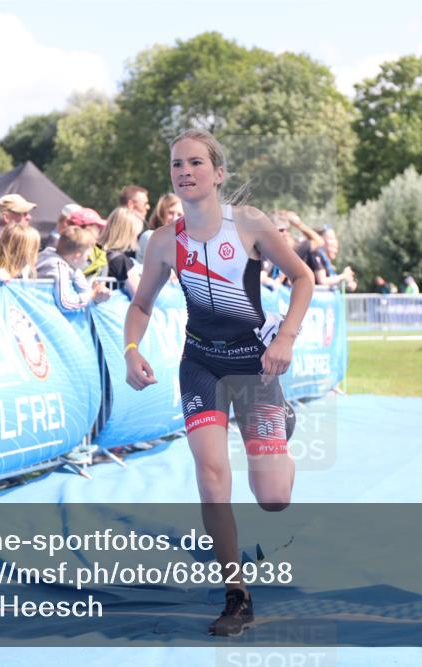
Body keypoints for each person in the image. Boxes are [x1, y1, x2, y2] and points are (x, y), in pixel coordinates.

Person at [123, 129, 313, 637]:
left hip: (254, 366)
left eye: (195, 163)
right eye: (176, 164)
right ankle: (236, 594)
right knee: (211, 476)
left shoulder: (248, 223)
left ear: (218, 173)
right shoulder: (164, 241)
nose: (184, 172)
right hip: (201, 364)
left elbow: (303, 278)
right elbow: (140, 305)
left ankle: (281, 422)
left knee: (273, 497)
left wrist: (286, 339)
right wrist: (131, 350)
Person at [36, 226, 111, 306]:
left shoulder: (71, 264)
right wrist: (92, 296)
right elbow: (65, 303)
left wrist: (97, 293)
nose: (87, 259)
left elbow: (84, 289)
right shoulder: (58, 268)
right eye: (87, 256)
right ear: (76, 257)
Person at [100, 207, 144, 297]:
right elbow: (140, 296)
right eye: (136, 234)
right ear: (129, 233)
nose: (136, 238)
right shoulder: (121, 261)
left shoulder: (96, 251)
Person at [138, 193, 182, 262]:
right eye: (170, 213)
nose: (174, 218)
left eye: (179, 215)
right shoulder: (150, 236)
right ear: (161, 213)